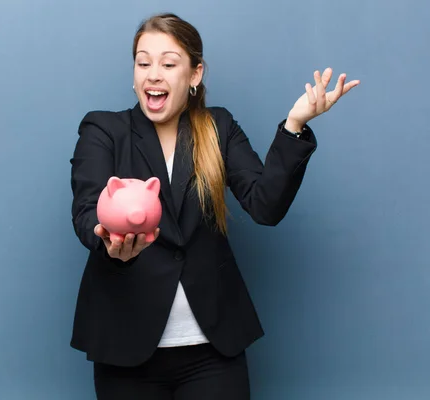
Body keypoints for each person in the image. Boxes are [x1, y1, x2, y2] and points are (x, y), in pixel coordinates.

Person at [69, 12, 359, 400]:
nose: (153, 74)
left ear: (194, 74)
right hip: (126, 345)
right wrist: (106, 239)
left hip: (213, 351)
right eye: (143, 62)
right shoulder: (104, 129)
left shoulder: (218, 127)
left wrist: (294, 125)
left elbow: (264, 206)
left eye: (168, 64)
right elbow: (87, 209)